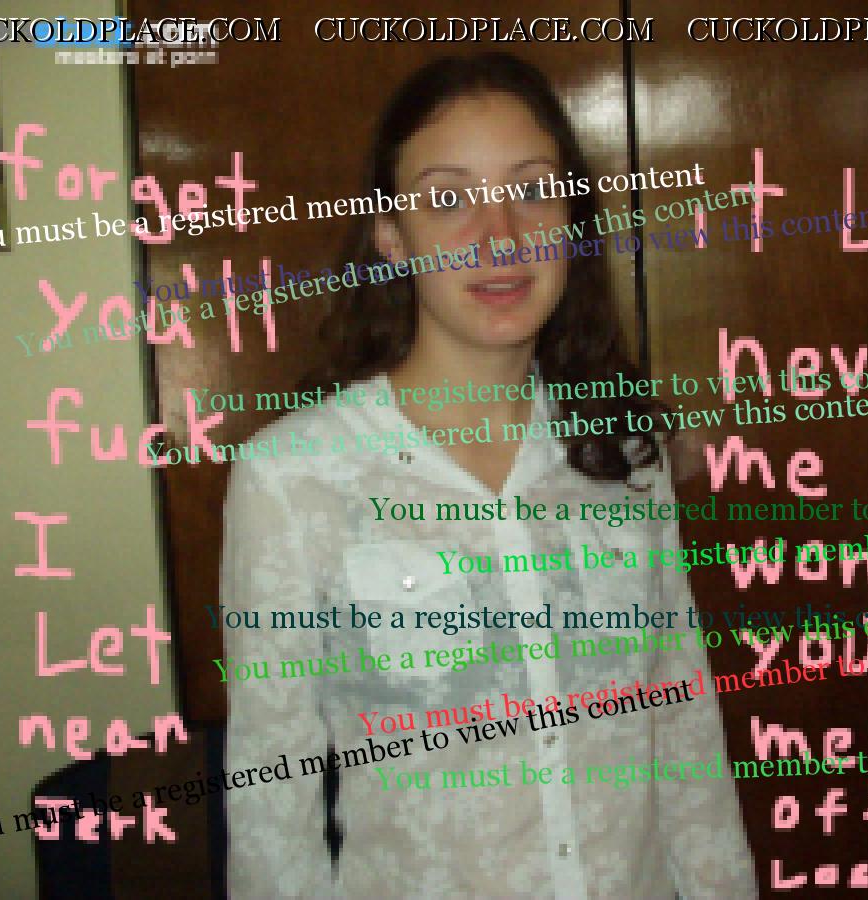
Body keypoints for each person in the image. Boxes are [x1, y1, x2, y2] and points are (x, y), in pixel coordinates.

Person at [221, 52, 757, 898]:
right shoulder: (294, 480)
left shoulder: (625, 453)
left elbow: (684, 728)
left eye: (532, 190)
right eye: (448, 199)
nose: (500, 235)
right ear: (390, 235)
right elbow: (270, 799)